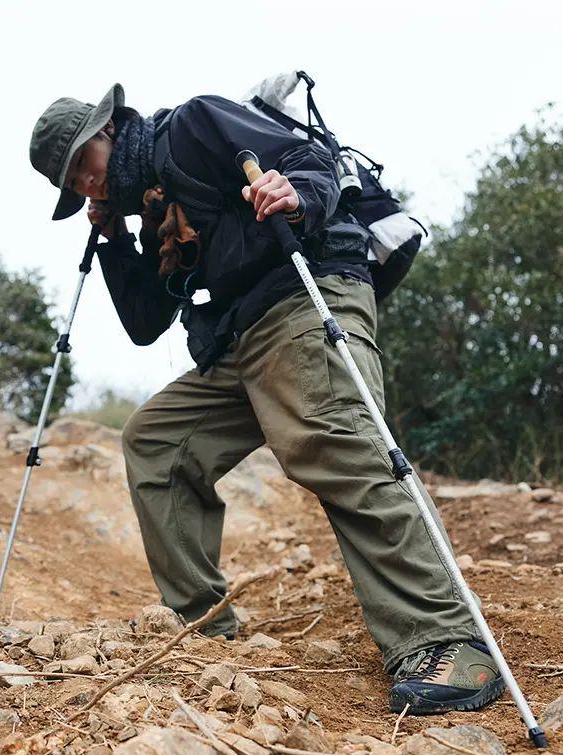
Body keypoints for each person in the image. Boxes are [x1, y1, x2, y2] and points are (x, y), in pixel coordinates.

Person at [29, 83, 504, 714]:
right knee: (155, 442)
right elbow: (145, 322)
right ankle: (206, 628)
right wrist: (115, 239)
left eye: (83, 163)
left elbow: (310, 164)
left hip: (305, 297)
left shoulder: (192, 126)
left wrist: (293, 195)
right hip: (240, 335)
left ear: (109, 129)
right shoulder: (149, 207)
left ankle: (449, 642)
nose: (86, 183)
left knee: (333, 441)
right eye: (72, 184)